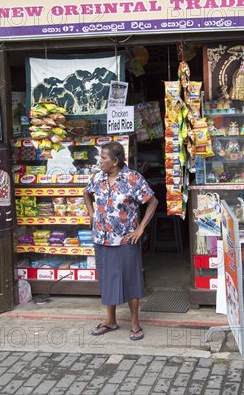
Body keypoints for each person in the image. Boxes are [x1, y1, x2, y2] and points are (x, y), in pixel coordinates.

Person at [84, 141, 158, 341]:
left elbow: (152, 201)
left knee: (130, 280)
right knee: (108, 280)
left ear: (115, 161)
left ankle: (135, 323)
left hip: (126, 240)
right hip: (102, 238)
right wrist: (91, 213)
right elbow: (86, 192)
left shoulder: (132, 179)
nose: (100, 161)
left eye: (104, 158)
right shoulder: (98, 178)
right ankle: (110, 320)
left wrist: (141, 228)